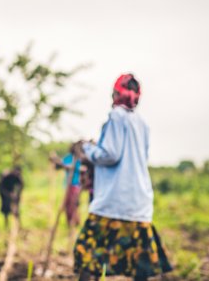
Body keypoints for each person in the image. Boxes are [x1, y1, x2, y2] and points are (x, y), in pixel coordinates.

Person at [73, 74, 172, 281]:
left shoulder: (116, 116)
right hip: (139, 203)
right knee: (140, 265)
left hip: (113, 200)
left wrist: (88, 150)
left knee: (88, 257)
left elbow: (110, 154)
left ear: (117, 94)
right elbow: (140, 157)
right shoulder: (142, 123)